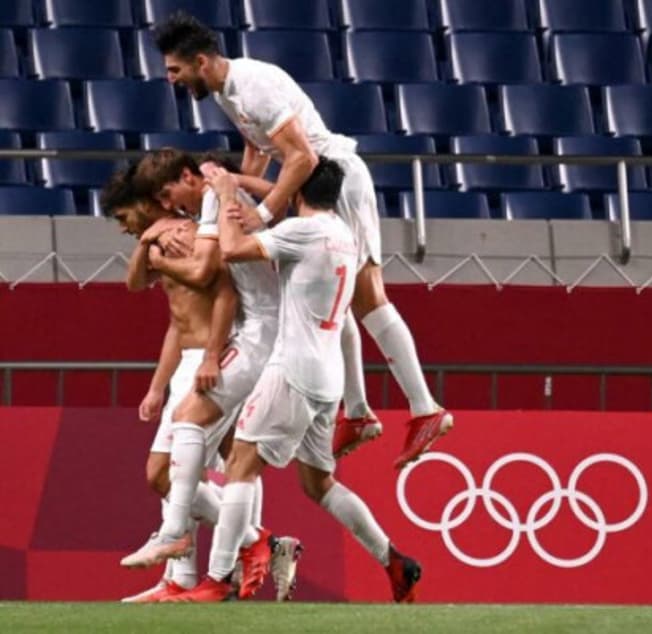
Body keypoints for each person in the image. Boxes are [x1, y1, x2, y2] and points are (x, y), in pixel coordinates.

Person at [153, 11, 453, 468]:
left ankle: (424, 409)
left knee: (369, 297)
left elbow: (302, 155)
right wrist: (233, 194)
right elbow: (258, 147)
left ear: (200, 61)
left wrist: (263, 213)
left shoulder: (254, 83)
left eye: (174, 70)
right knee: (339, 295)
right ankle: (356, 412)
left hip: (336, 180)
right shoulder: (223, 90)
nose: (170, 79)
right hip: (309, 186)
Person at [166, 159, 421, 603]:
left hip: (293, 369)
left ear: (299, 190)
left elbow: (232, 250)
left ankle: (217, 578)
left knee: (242, 464)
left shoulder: (301, 233)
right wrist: (244, 183)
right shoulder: (343, 232)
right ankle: (392, 558)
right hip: (329, 379)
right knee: (318, 484)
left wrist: (226, 194)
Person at [101, 165, 238, 602]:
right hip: (188, 364)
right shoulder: (158, 238)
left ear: (142, 206)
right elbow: (156, 303)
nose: (124, 229)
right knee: (172, 474)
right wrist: (157, 387)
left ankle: (257, 542)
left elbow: (219, 291)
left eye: (125, 220)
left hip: (210, 361)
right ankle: (181, 578)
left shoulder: (184, 236)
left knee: (170, 473)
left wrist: (213, 354)